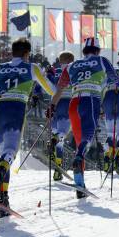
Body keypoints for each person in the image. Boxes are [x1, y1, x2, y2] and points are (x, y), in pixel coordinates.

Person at [0, 38, 55, 217]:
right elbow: (52, 89)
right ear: (26, 54)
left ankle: (3, 197)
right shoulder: (32, 68)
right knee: (10, 154)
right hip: (16, 108)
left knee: (4, 155)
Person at [48, 37, 119, 198]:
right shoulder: (102, 60)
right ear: (98, 51)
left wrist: (51, 107)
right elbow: (116, 81)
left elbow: (59, 90)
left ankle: (80, 185)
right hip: (91, 100)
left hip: (73, 103)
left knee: (80, 141)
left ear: (83, 51)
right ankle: (80, 156)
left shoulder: (71, 65)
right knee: (86, 139)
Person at [48, 51, 75, 181]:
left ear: (60, 61)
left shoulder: (54, 71)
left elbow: (45, 84)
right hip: (68, 103)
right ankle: (58, 168)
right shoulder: (74, 71)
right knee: (62, 136)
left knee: (56, 132)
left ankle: (53, 142)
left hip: (54, 104)